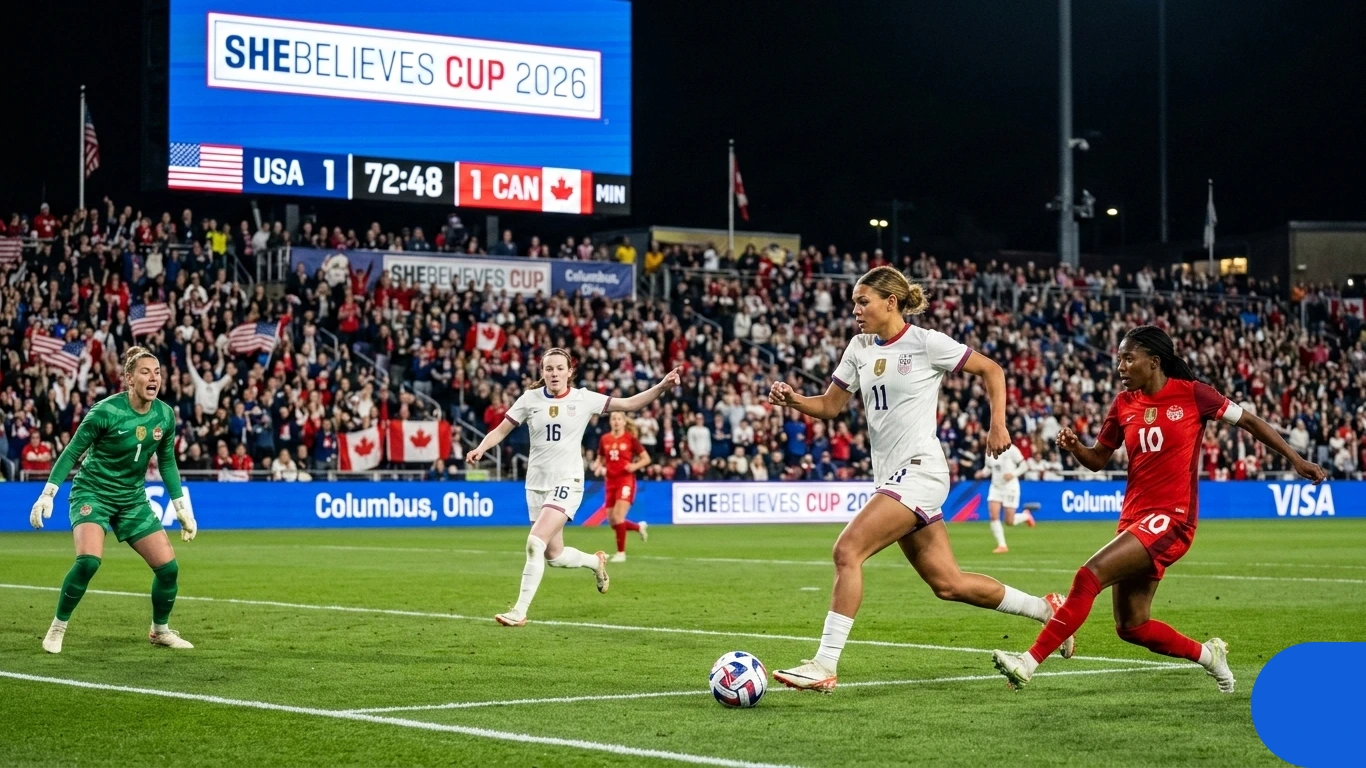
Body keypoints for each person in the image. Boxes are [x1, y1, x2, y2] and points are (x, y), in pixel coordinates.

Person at [767, 266, 1072, 692]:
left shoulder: (926, 343)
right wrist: (794, 400)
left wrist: (997, 424)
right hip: (891, 478)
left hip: (921, 470)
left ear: (890, 302)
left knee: (847, 551)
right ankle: (1047, 608)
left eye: (863, 301)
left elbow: (993, 370)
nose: (855, 309)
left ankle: (824, 664)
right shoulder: (858, 348)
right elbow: (831, 406)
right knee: (948, 584)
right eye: (855, 302)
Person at [991, 326, 1327, 693]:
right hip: (1135, 519)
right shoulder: (1123, 404)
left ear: (1153, 362)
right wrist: (1075, 447)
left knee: (1089, 576)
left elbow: (1249, 421)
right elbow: (1098, 460)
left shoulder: (1195, 395)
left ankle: (1027, 662)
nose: (1120, 365)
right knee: (1132, 626)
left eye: (1128, 358)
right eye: (1119, 358)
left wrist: (1295, 459)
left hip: (1173, 519)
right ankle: (1210, 655)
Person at [466, 348, 681, 626]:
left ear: (570, 371)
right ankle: (595, 562)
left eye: (559, 368)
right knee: (553, 556)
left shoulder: (583, 398)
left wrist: (662, 386)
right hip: (536, 485)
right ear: (542, 372)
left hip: (567, 481)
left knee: (534, 542)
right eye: (548, 369)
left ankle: (519, 611)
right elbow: (501, 429)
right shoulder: (530, 398)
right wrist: (481, 447)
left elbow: (629, 404)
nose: (554, 373)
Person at [29, 346, 199, 654]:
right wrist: (48, 493)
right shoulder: (105, 412)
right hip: (93, 492)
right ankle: (57, 627)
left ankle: (160, 631)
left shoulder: (165, 415)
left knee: (168, 569)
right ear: (129, 378)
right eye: (146, 372)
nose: (154, 378)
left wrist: (181, 507)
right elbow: (71, 452)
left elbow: (167, 462)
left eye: (157, 372)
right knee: (89, 561)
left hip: (132, 498)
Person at [592, 411, 651, 562]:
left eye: (619, 419)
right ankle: (639, 527)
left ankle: (621, 553)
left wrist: (634, 466)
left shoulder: (631, 439)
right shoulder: (605, 439)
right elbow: (600, 458)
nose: (616, 421)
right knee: (612, 521)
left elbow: (646, 459)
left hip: (625, 481)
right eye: (613, 419)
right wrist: (597, 466)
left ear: (624, 422)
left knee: (618, 517)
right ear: (610, 422)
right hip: (610, 481)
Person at [974, 442, 1035, 553]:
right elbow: (988, 468)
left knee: (1009, 521)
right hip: (996, 487)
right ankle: (1002, 545)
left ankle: (1026, 516)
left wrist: (1013, 474)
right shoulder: (989, 451)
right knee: (993, 515)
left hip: (1010, 487)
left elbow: (1024, 466)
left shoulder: (1011, 449)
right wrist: (982, 473)